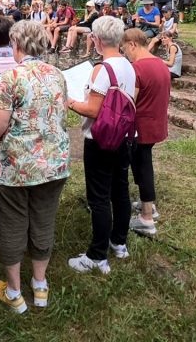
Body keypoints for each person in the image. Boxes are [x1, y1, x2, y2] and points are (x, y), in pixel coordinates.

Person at [0, 20, 70, 314]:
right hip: (53, 166)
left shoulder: (11, 78)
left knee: (10, 225)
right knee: (44, 220)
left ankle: (15, 292)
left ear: (16, 44)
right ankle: (40, 286)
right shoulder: (57, 75)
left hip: (14, 167)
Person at [66, 17, 136, 274]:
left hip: (100, 139)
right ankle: (119, 242)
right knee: (120, 190)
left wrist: (70, 101)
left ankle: (97, 255)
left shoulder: (102, 69)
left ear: (96, 39)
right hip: (123, 137)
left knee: (98, 197)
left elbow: (93, 109)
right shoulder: (128, 65)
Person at [121, 29, 169, 237]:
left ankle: (147, 217)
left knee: (142, 166)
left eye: (124, 49)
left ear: (132, 44)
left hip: (140, 127)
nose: (125, 54)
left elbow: (130, 102)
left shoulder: (137, 69)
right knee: (142, 164)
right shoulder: (159, 63)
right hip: (156, 122)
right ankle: (145, 202)